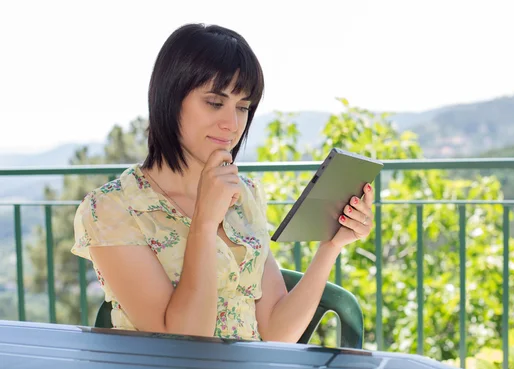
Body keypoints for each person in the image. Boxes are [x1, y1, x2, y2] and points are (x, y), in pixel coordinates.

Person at [71, 23, 374, 343]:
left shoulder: (245, 195)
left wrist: (331, 246)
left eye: (242, 107)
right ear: (170, 98)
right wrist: (204, 221)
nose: (232, 124)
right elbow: (183, 348)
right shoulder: (112, 209)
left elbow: (276, 334)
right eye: (215, 102)